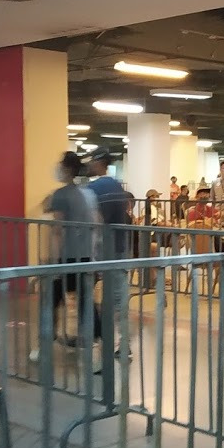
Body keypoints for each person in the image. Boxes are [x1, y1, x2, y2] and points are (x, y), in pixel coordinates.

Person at [29, 152, 103, 363]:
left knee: (51, 302)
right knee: (85, 302)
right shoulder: (88, 194)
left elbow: (57, 230)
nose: (58, 168)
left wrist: (53, 261)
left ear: (68, 169)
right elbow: (97, 224)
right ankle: (96, 345)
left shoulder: (60, 195)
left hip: (67, 257)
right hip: (85, 256)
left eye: (61, 165)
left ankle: (43, 345)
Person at [82, 147, 132, 358]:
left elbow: (95, 220)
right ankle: (122, 342)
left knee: (88, 292)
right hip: (119, 248)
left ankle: (99, 339)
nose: (90, 165)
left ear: (99, 162)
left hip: (101, 250)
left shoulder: (94, 188)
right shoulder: (117, 185)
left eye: (92, 161)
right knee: (118, 298)